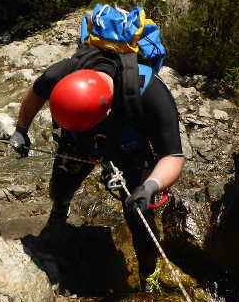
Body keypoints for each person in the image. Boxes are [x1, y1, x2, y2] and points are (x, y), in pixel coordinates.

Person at [10, 46, 185, 289]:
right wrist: (21, 129)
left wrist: (149, 186)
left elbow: (173, 156)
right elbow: (36, 91)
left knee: (140, 216)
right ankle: (59, 211)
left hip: (131, 149)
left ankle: (149, 273)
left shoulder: (149, 91)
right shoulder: (62, 73)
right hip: (78, 142)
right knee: (61, 186)